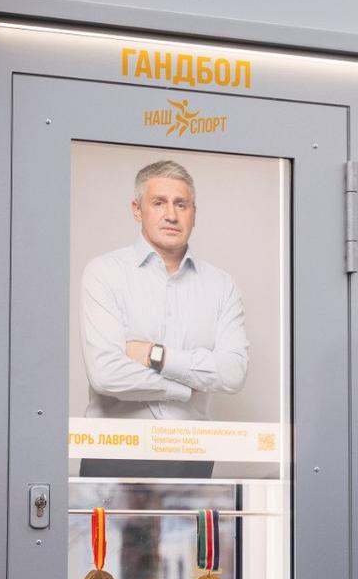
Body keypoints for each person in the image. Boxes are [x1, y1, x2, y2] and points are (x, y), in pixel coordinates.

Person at [79, 159, 249, 478]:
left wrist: (155, 355)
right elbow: (105, 374)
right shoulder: (104, 273)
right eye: (159, 203)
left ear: (194, 214)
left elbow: (233, 372)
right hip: (112, 456)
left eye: (181, 204)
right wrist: (186, 386)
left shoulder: (221, 285)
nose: (171, 214)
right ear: (137, 210)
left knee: (189, 532)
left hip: (191, 458)